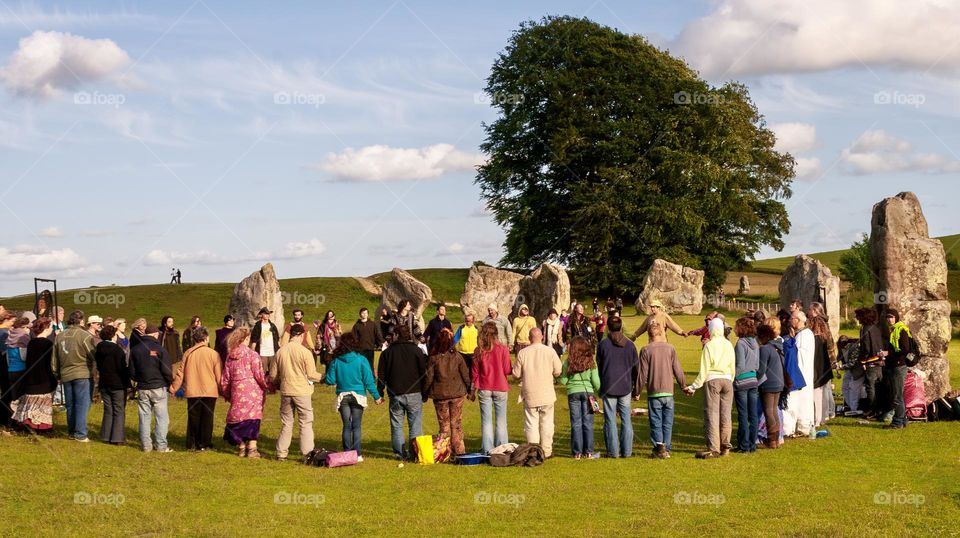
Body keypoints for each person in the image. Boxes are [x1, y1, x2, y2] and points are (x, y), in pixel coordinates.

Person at [684, 317, 735, 459]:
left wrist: (694, 386)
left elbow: (704, 370)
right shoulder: (728, 344)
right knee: (726, 414)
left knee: (712, 414)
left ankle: (714, 448)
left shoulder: (709, 345)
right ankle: (726, 445)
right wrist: (729, 379)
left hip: (713, 380)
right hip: (727, 380)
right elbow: (732, 366)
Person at [272, 325, 325, 461]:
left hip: (286, 391)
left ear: (290, 335)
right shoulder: (305, 352)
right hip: (302, 392)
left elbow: (272, 375)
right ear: (301, 335)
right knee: (305, 422)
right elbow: (312, 374)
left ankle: (281, 453)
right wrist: (325, 377)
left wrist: (279, 382)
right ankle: (307, 454)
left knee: (287, 423)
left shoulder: (280, 352)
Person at [636, 320, 686, 459]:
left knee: (656, 421)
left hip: (654, 392)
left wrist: (637, 391)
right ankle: (666, 448)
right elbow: (678, 370)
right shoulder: (671, 348)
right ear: (662, 333)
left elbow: (642, 374)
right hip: (668, 392)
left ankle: (659, 447)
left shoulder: (646, 350)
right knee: (667, 422)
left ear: (649, 334)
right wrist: (683, 386)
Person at [377, 324, 427, 460]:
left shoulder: (387, 353)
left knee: (397, 425)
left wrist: (379, 392)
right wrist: (425, 391)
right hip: (414, 393)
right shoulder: (416, 351)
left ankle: (399, 453)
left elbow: (381, 376)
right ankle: (414, 453)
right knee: (415, 425)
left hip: (396, 393)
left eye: (393, 334)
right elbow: (424, 373)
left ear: (397, 335)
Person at [220, 327, 271, 458]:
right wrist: (266, 385)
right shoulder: (252, 355)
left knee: (238, 418)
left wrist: (226, 393)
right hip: (252, 392)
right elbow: (259, 374)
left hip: (237, 391)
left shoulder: (230, 357)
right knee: (252, 418)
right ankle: (252, 449)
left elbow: (225, 378)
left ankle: (242, 447)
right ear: (246, 338)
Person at [512, 327, 562, 457]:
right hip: (546, 393)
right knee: (547, 422)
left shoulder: (523, 353)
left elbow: (516, 374)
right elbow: (558, 371)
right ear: (542, 337)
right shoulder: (550, 351)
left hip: (530, 393)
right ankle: (546, 450)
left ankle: (534, 450)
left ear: (529, 338)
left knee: (531, 423)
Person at [171, 327, 222, 451]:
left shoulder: (188, 353)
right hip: (210, 391)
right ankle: (205, 443)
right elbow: (219, 375)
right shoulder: (213, 354)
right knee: (207, 418)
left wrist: (173, 388)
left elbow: (180, 373)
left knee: (193, 417)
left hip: (193, 390)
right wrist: (223, 389)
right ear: (205, 338)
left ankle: (192, 443)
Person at [423, 328, 471, 455]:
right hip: (457, 394)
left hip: (440, 395)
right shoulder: (457, 357)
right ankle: (459, 451)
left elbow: (429, 378)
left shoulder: (434, 358)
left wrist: (425, 393)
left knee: (444, 427)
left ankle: (445, 453)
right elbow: (465, 375)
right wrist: (470, 389)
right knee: (456, 424)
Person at [597, 317, 639, 458]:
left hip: (609, 385)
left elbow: (599, 366)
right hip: (625, 386)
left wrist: (600, 385)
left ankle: (613, 452)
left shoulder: (603, 345)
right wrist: (635, 387)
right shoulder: (630, 345)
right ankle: (627, 452)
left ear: (608, 328)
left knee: (610, 420)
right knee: (626, 419)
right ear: (621, 328)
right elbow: (636, 368)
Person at [52, 310, 96, 442]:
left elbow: (54, 359)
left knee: (70, 404)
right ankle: (80, 434)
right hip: (82, 373)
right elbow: (92, 355)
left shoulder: (59, 336)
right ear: (81, 321)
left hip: (65, 374)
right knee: (82, 404)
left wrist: (57, 374)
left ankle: (72, 432)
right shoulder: (85, 336)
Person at [129, 324, 174, 453]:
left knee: (144, 417)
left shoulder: (135, 350)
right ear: (155, 334)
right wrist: (169, 382)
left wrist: (140, 380)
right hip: (158, 387)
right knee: (162, 418)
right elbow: (167, 370)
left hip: (142, 387)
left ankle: (146, 446)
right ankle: (161, 445)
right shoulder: (160, 349)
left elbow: (131, 371)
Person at [472, 322, 512, 454]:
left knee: (486, 421)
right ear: (496, 333)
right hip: (500, 386)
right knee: (501, 421)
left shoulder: (479, 350)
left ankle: (488, 450)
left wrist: (473, 388)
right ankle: (502, 449)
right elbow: (507, 370)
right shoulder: (503, 349)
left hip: (484, 387)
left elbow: (475, 372)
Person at [12, 317, 57, 433]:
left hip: (31, 378)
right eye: (50, 326)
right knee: (42, 404)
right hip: (44, 378)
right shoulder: (48, 344)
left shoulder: (31, 343)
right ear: (46, 328)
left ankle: (28, 423)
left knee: (31, 403)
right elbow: (51, 363)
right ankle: (41, 426)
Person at [560, 336, 600, 459]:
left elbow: (563, 380)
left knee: (576, 423)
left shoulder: (568, 362)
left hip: (573, 393)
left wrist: (557, 377)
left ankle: (577, 452)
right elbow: (596, 382)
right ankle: (588, 452)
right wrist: (597, 390)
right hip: (588, 393)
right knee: (588, 423)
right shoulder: (591, 361)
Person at [95, 324, 130, 445]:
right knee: (119, 410)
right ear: (113, 335)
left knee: (108, 409)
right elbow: (122, 368)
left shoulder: (99, 348)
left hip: (104, 382)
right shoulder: (117, 350)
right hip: (117, 383)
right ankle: (117, 437)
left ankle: (105, 435)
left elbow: (98, 366)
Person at [783, 311, 815, 437]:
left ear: (797, 320)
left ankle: (803, 426)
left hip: (802, 372)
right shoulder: (800, 334)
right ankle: (798, 426)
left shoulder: (805, 335)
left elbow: (798, 355)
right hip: (799, 373)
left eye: (792, 318)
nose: (790, 320)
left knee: (802, 401)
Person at [732, 317, 760, 453]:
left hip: (742, 382)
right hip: (753, 380)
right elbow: (757, 365)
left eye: (736, 326)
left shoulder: (740, 344)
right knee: (753, 415)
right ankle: (752, 445)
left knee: (743, 415)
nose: (734, 329)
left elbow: (740, 365)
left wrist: (732, 377)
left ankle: (744, 445)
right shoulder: (755, 343)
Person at [881, 309, 912, 430]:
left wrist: (888, 352)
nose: (889, 319)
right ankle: (903, 420)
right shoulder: (894, 330)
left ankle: (897, 422)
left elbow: (905, 349)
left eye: (892, 317)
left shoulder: (901, 330)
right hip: (894, 365)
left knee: (897, 396)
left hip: (899, 366)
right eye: (887, 317)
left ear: (896, 318)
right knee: (898, 395)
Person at [756, 321, 785, 448]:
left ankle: (772, 440)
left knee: (769, 411)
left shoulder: (764, 349)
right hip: (779, 383)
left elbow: (761, 370)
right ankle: (776, 439)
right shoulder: (775, 347)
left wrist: (754, 380)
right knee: (773, 411)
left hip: (768, 384)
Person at [856, 308, 885, 418]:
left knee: (870, 387)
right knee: (878, 387)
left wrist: (863, 361)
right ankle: (879, 409)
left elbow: (866, 347)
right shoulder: (876, 328)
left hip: (871, 362)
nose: (857, 318)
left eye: (858, 316)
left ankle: (872, 410)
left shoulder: (865, 329)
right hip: (880, 361)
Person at [810, 316, 837, 427]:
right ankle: (823, 416)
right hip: (825, 368)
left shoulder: (814, 339)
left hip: (817, 368)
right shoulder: (826, 338)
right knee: (823, 394)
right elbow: (831, 351)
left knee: (817, 395)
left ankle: (817, 418)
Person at [5, 316, 30, 404]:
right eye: (27, 327)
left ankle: (14, 417)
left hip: (11, 370)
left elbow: (8, 358)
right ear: (23, 327)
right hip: (21, 370)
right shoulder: (23, 337)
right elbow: (24, 357)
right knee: (23, 399)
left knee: (15, 399)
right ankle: (22, 417)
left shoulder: (10, 336)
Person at [350, 307, 383, 374]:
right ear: (360, 314)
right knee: (361, 364)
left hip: (370, 348)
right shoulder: (356, 325)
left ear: (368, 314)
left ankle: (371, 378)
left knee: (370, 364)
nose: (364, 314)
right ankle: (362, 378)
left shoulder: (372, 324)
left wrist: (381, 344)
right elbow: (354, 337)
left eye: (366, 313)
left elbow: (377, 335)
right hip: (360, 349)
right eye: (363, 313)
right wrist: (355, 347)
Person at [250, 308, 280, 377]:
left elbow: (277, 339)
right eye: (265, 313)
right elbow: (254, 340)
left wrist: (279, 350)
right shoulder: (257, 326)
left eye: (268, 314)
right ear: (261, 315)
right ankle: (262, 386)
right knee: (262, 372)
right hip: (262, 352)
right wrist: (252, 353)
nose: (267, 315)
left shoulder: (272, 326)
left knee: (273, 372)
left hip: (272, 352)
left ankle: (272, 386)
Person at [0, 312, 13, 429]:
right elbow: (5, 353)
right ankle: (5, 421)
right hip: (4, 367)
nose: (12, 324)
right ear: (6, 320)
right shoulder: (4, 334)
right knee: (6, 394)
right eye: (12, 321)